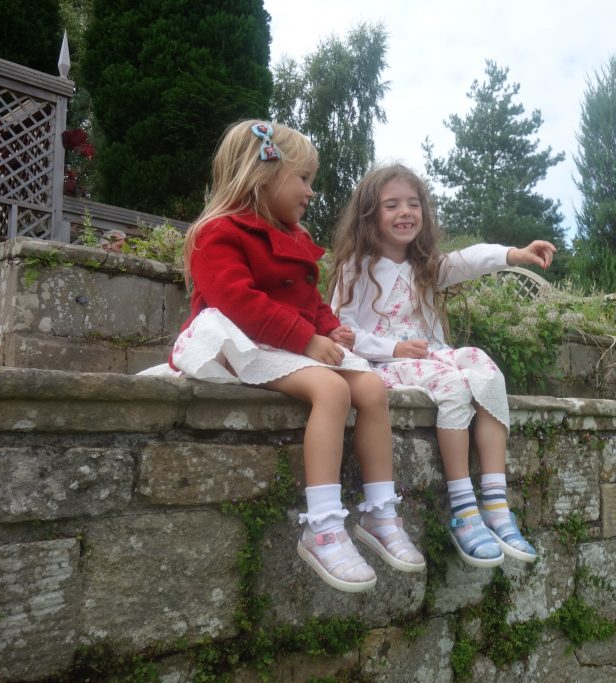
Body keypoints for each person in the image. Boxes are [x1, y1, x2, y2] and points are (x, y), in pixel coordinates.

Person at [158, 121, 424, 592]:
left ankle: (380, 513)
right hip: (241, 341)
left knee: (372, 387)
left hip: (288, 341)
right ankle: (321, 524)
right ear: (262, 176)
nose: (311, 191)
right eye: (302, 179)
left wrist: (326, 328)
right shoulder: (217, 233)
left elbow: (311, 301)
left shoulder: (294, 237)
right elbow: (239, 302)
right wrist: (305, 339)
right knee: (332, 388)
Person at [331, 163, 556, 567]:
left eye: (413, 204)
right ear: (369, 214)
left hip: (430, 354)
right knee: (452, 384)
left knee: (485, 369)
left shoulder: (425, 266)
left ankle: (495, 501)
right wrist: (394, 346)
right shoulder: (357, 267)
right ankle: (463, 509)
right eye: (392, 205)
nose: (405, 212)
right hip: (385, 363)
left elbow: (469, 260)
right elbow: (340, 330)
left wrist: (514, 255)